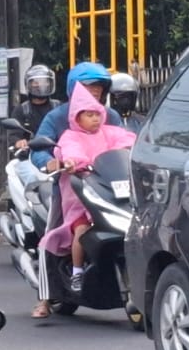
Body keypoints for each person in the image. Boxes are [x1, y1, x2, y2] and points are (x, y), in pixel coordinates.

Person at [37, 81, 136, 306]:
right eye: (89, 115)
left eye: (97, 114)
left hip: (109, 193)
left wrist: (130, 151)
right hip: (82, 198)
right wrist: (73, 162)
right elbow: (71, 153)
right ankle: (77, 271)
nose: (95, 119)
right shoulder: (70, 137)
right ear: (76, 117)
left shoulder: (110, 132)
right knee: (81, 229)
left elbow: (127, 141)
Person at [11, 64, 58, 138]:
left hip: (56, 144)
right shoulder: (21, 110)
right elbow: (14, 135)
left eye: (45, 82)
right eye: (36, 82)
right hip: (31, 145)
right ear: (28, 84)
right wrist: (19, 141)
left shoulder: (58, 107)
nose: (41, 85)